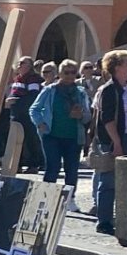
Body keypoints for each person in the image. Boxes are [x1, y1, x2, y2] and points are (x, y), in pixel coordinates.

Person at [30, 59, 89, 209]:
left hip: (73, 136)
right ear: (60, 73)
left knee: (72, 168)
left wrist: (81, 116)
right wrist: (40, 123)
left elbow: (88, 115)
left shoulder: (80, 93)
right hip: (51, 135)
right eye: (66, 72)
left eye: (73, 72)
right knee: (52, 166)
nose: (69, 76)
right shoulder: (50, 90)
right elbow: (34, 109)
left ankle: (69, 199)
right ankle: (46, 198)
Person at [92, 49, 127, 235]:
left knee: (122, 182)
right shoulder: (110, 89)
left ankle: (118, 217)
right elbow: (107, 119)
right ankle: (104, 221)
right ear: (117, 67)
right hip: (114, 141)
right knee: (108, 182)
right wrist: (116, 142)